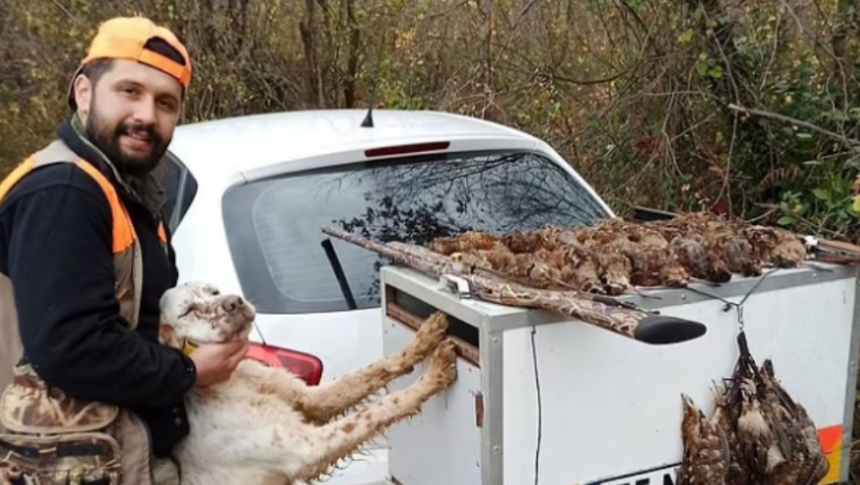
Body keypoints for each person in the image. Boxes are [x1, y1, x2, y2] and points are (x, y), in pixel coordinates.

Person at [0, 16, 249, 485]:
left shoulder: (125, 190)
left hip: (119, 457)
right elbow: (71, 348)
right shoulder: (64, 190)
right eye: (128, 91)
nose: (147, 116)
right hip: (61, 466)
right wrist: (189, 371)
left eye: (165, 102)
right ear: (84, 92)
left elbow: (138, 322)